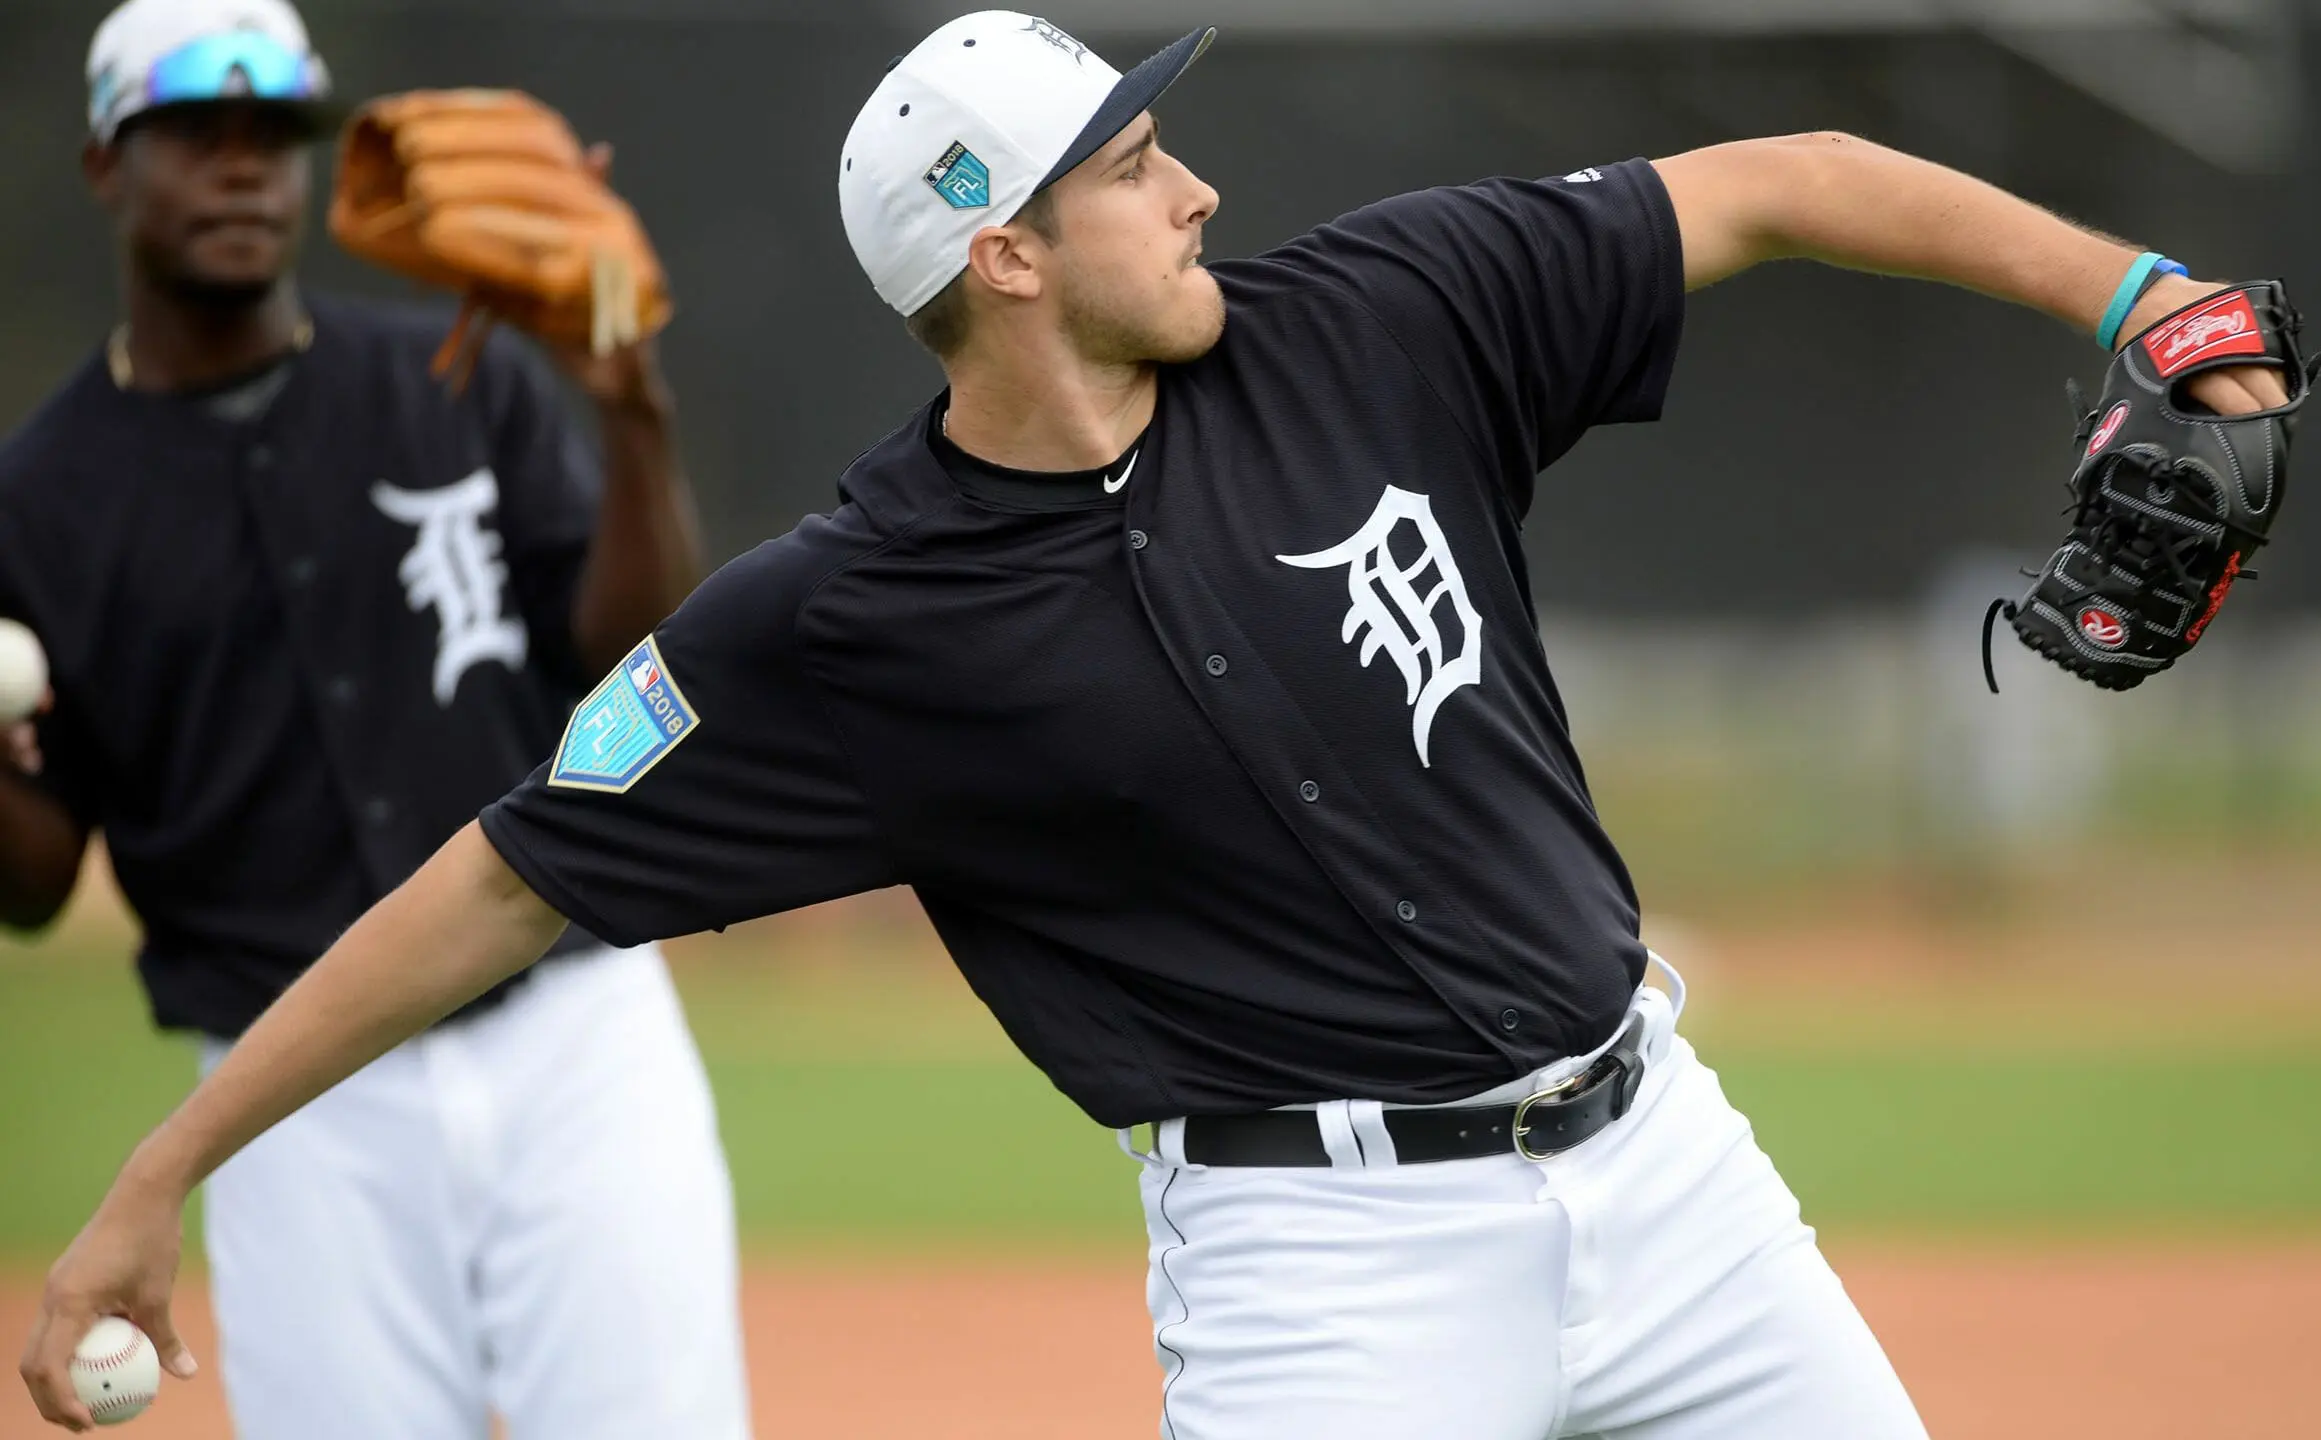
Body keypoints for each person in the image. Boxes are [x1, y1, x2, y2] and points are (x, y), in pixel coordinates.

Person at [19, 9, 2297, 1437]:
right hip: (1329, 1281)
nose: (1192, 177)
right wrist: (157, 1178)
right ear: (995, 253)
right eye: (1125, 158)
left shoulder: (1385, 316)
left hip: (1668, 1171)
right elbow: (504, 874)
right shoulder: (844, 621)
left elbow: (1787, 180)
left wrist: (2148, 300)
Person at [2, 1, 751, 1437]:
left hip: (576, 1038)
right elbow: (35, 887)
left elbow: (630, 666)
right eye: (194, 136)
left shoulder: (453, 378)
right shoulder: (38, 502)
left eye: (273, 136)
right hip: (295, 1101)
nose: (243, 169)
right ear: (106, 165)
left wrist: (634, 418)